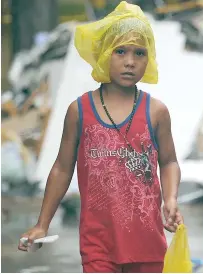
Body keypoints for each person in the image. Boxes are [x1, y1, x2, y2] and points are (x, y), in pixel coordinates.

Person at [18, 1, 183, 273]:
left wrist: (172, 199)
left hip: (148, 242)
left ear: (149, 58)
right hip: (98, 243)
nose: (130, 61)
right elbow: (61, 168)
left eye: (140, 53)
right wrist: (42, 224)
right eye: (120, 51)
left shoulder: (156, 112)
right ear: (104, 53)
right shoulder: (80, 111)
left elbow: (169, 162)